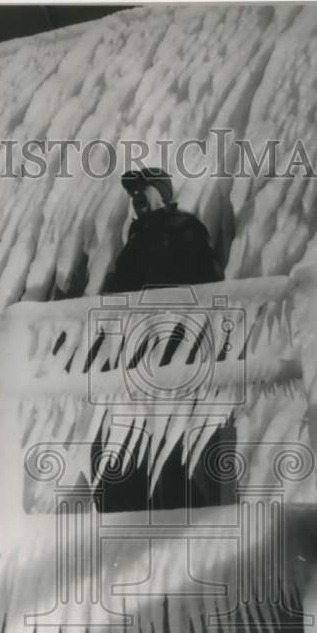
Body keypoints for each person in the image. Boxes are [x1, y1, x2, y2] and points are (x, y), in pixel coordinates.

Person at [97, 168, 233, 513]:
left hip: (178, 352)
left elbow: (208, 287)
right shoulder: (136, 238)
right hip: (139, 355)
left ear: (163, 193)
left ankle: (183, 520)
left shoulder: (185, 230)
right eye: (134, 194)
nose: (137, 197)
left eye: (144, 190)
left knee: (175, 444)